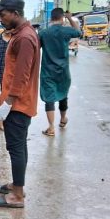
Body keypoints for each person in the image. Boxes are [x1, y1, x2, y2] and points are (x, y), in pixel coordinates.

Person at [0, 0, 41, 209]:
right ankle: (17, 185)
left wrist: (8, 102)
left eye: (2, 14)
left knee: (16, 147)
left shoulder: (25, 38)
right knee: (17, 147)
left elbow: (22, 75)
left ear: (15, 13)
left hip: (18, 104)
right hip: (16, 101)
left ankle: (17, 196)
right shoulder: (20, 35)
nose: (0, 18)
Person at [38, 8, 82, 136]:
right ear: (62, 18)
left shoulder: (44, 33)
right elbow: (78, 32)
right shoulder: (66, 31)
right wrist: (70, 18)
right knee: (63, 94)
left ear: (51, 18)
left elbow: (36, 48)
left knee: (49, 98)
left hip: (48, 71)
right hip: (63, 70)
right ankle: (63, 119)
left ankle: (51, 127)